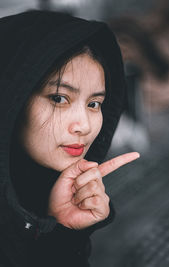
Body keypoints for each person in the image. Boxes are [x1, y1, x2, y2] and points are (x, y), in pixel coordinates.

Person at [0, 10, 140, 267]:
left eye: (95, 103)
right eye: (59, 98)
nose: (84, 126)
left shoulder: (49, 188)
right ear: (12, 97)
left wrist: (62, 231)